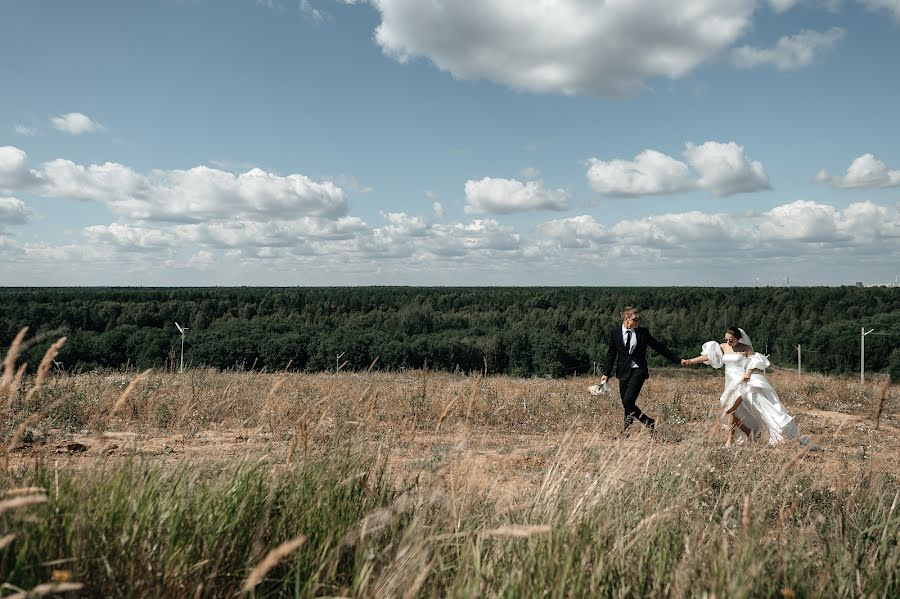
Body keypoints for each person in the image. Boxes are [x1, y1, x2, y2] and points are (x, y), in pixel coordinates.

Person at [681, 326, 798, 447]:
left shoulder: (746, 348)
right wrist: (690, 361)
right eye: (726, 339)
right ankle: (749, 432)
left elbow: (755, 363)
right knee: (730, 411)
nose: (728, 342)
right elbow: (707, 357)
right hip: (730, 383)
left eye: (731, 340)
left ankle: (730, 440)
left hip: (742, 381)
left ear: (739, 339)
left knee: (731, 410)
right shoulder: (723, 347)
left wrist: (748, 372)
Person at [599, 307, 682, 435]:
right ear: (626, 319)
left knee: (628, 401)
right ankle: (642, 425)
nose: (638, 321)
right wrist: (606, 373)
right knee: (627, 403)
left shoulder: (643, 332)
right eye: (635, 319)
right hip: (623, 371)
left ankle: (633, 428)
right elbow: (611, 354)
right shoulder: (615, 332)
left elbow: (658, 346)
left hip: (638, 370)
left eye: (639, 319)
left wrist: (677, 360)